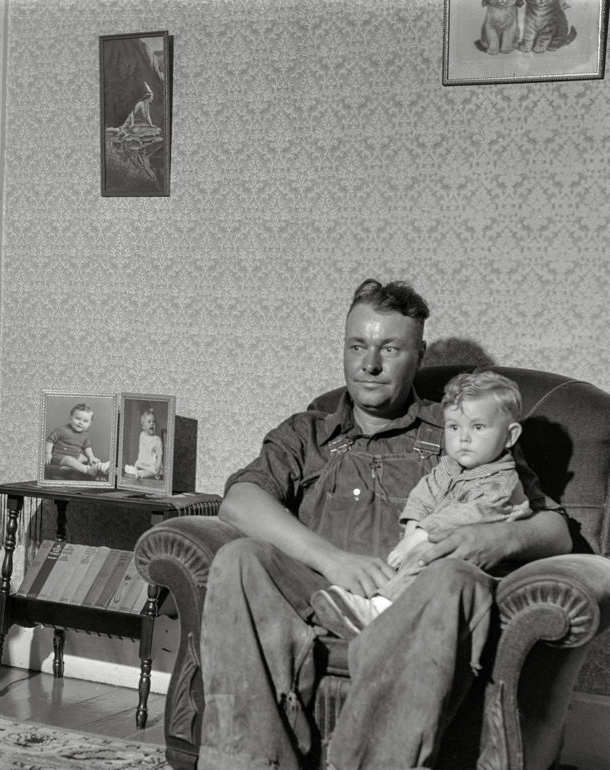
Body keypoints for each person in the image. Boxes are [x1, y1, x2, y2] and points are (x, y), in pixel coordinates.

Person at [199, 278, 571, 770]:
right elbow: (239, 503)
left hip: (415, 604)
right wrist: (331, 560)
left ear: (418, 355)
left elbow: (557, 531)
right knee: (239, 557)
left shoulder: (461, 430)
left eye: (389, 349)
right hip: (321, 593)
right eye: (358, 346)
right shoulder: (308, 432)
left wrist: (489, 538)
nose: (369, 364)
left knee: (454, 580)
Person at [311, 370, 533, 639]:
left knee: (428, 554)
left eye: (477, 427)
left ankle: (379, 611)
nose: (463, 438)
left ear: (510, 436)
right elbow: (424, 492)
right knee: (412, 557)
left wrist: (421, 534)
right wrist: (414, 522)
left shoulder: (503, 481)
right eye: (454, 427)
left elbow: (468, 515)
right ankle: (368, 610)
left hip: (483, 569)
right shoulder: (451, 466)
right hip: (439, 545)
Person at [45, 403, 111, 479]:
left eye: (85, 421)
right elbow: (50, 441)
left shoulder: (85, 435)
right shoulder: (62, 430)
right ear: (71, 417)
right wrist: (48, 454)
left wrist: (91, 457)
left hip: (76, 456)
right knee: (69, 460)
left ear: (90, 424)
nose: (80, 423)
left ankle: (100, 467)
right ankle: (87, 470)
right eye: (78, 419)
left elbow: (87, 447)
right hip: (59, 457)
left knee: (87, 459)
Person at [124, 408, 163, 479]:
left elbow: (159, 455)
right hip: (141, 463)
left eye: (154, 422)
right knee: (137, 463)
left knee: (155, 471)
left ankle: (141, 474)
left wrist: (158, 466)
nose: (152, 423)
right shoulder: (142, 435)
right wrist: (149, 412)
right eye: (149, 422)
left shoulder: (157, 440)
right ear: (143, 427)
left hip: (151, 465)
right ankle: (133, 470)